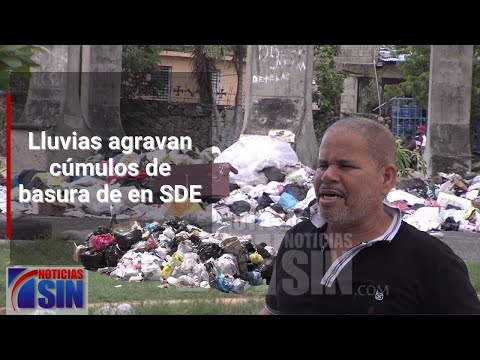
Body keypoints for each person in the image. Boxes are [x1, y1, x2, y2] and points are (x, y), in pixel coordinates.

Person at [260, 117, 480, 314]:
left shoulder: (432, 262)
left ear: (386, 178)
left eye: (345, 166)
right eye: (323, 165)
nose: (327, 175)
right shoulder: (298, 239)